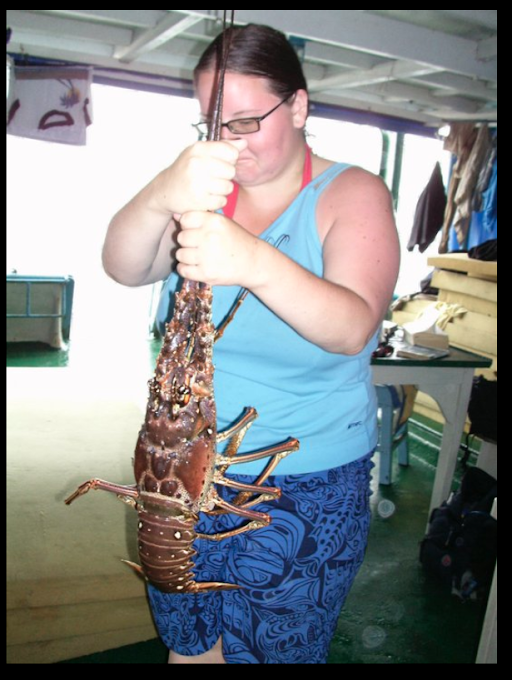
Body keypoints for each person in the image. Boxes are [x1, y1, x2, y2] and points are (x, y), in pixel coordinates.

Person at [103, 24, 400, 665]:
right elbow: (125, 267)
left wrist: (253, 260)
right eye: (212, 125)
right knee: (189, 647)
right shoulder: (208, 195)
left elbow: (353, 328)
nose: (227, 142)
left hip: (302, 482)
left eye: (246, 121)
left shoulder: (352, 194)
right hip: (178, 475)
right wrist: (163, 192)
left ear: (298, 106)